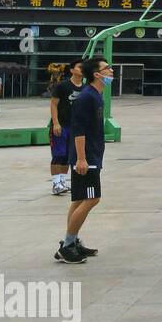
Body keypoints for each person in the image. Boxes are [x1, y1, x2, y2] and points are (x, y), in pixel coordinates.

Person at [58, 57, 112, 263]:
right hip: (86, 157)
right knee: (92, 198)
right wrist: (81, 158)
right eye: (107, 69)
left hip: (92, 154)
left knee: (79, 199)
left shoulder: (97, 95)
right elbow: (78, 130)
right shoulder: (87, 97)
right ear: (97, 75)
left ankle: (70, 242)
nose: (111, 71)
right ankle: (68, 244)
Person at [49, 59, 84, 196]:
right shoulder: (62, 86)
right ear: (72, 70)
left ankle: (62, 181)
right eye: (79, 67)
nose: (82, 69)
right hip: (61, 126)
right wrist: (56, 123)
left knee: (68, 156)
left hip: (75, 127)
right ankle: (55, 183)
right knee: (58, 154)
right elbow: (53, 105)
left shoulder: (85, 88)